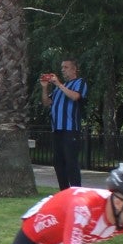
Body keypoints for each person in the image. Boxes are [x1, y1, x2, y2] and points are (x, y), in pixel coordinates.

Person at [41, 58, 87, 189]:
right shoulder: (58, 89)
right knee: (58, 162)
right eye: (62, 67)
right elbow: (46, 103)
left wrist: (59, 84)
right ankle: (64, 191)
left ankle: (76, 190)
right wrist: (44, 88)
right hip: (57, 129)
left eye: (66, 67)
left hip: (70, 129)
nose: (63, 70)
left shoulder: (80, 82)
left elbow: (75, 97)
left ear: (74, 69)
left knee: (71, 161)